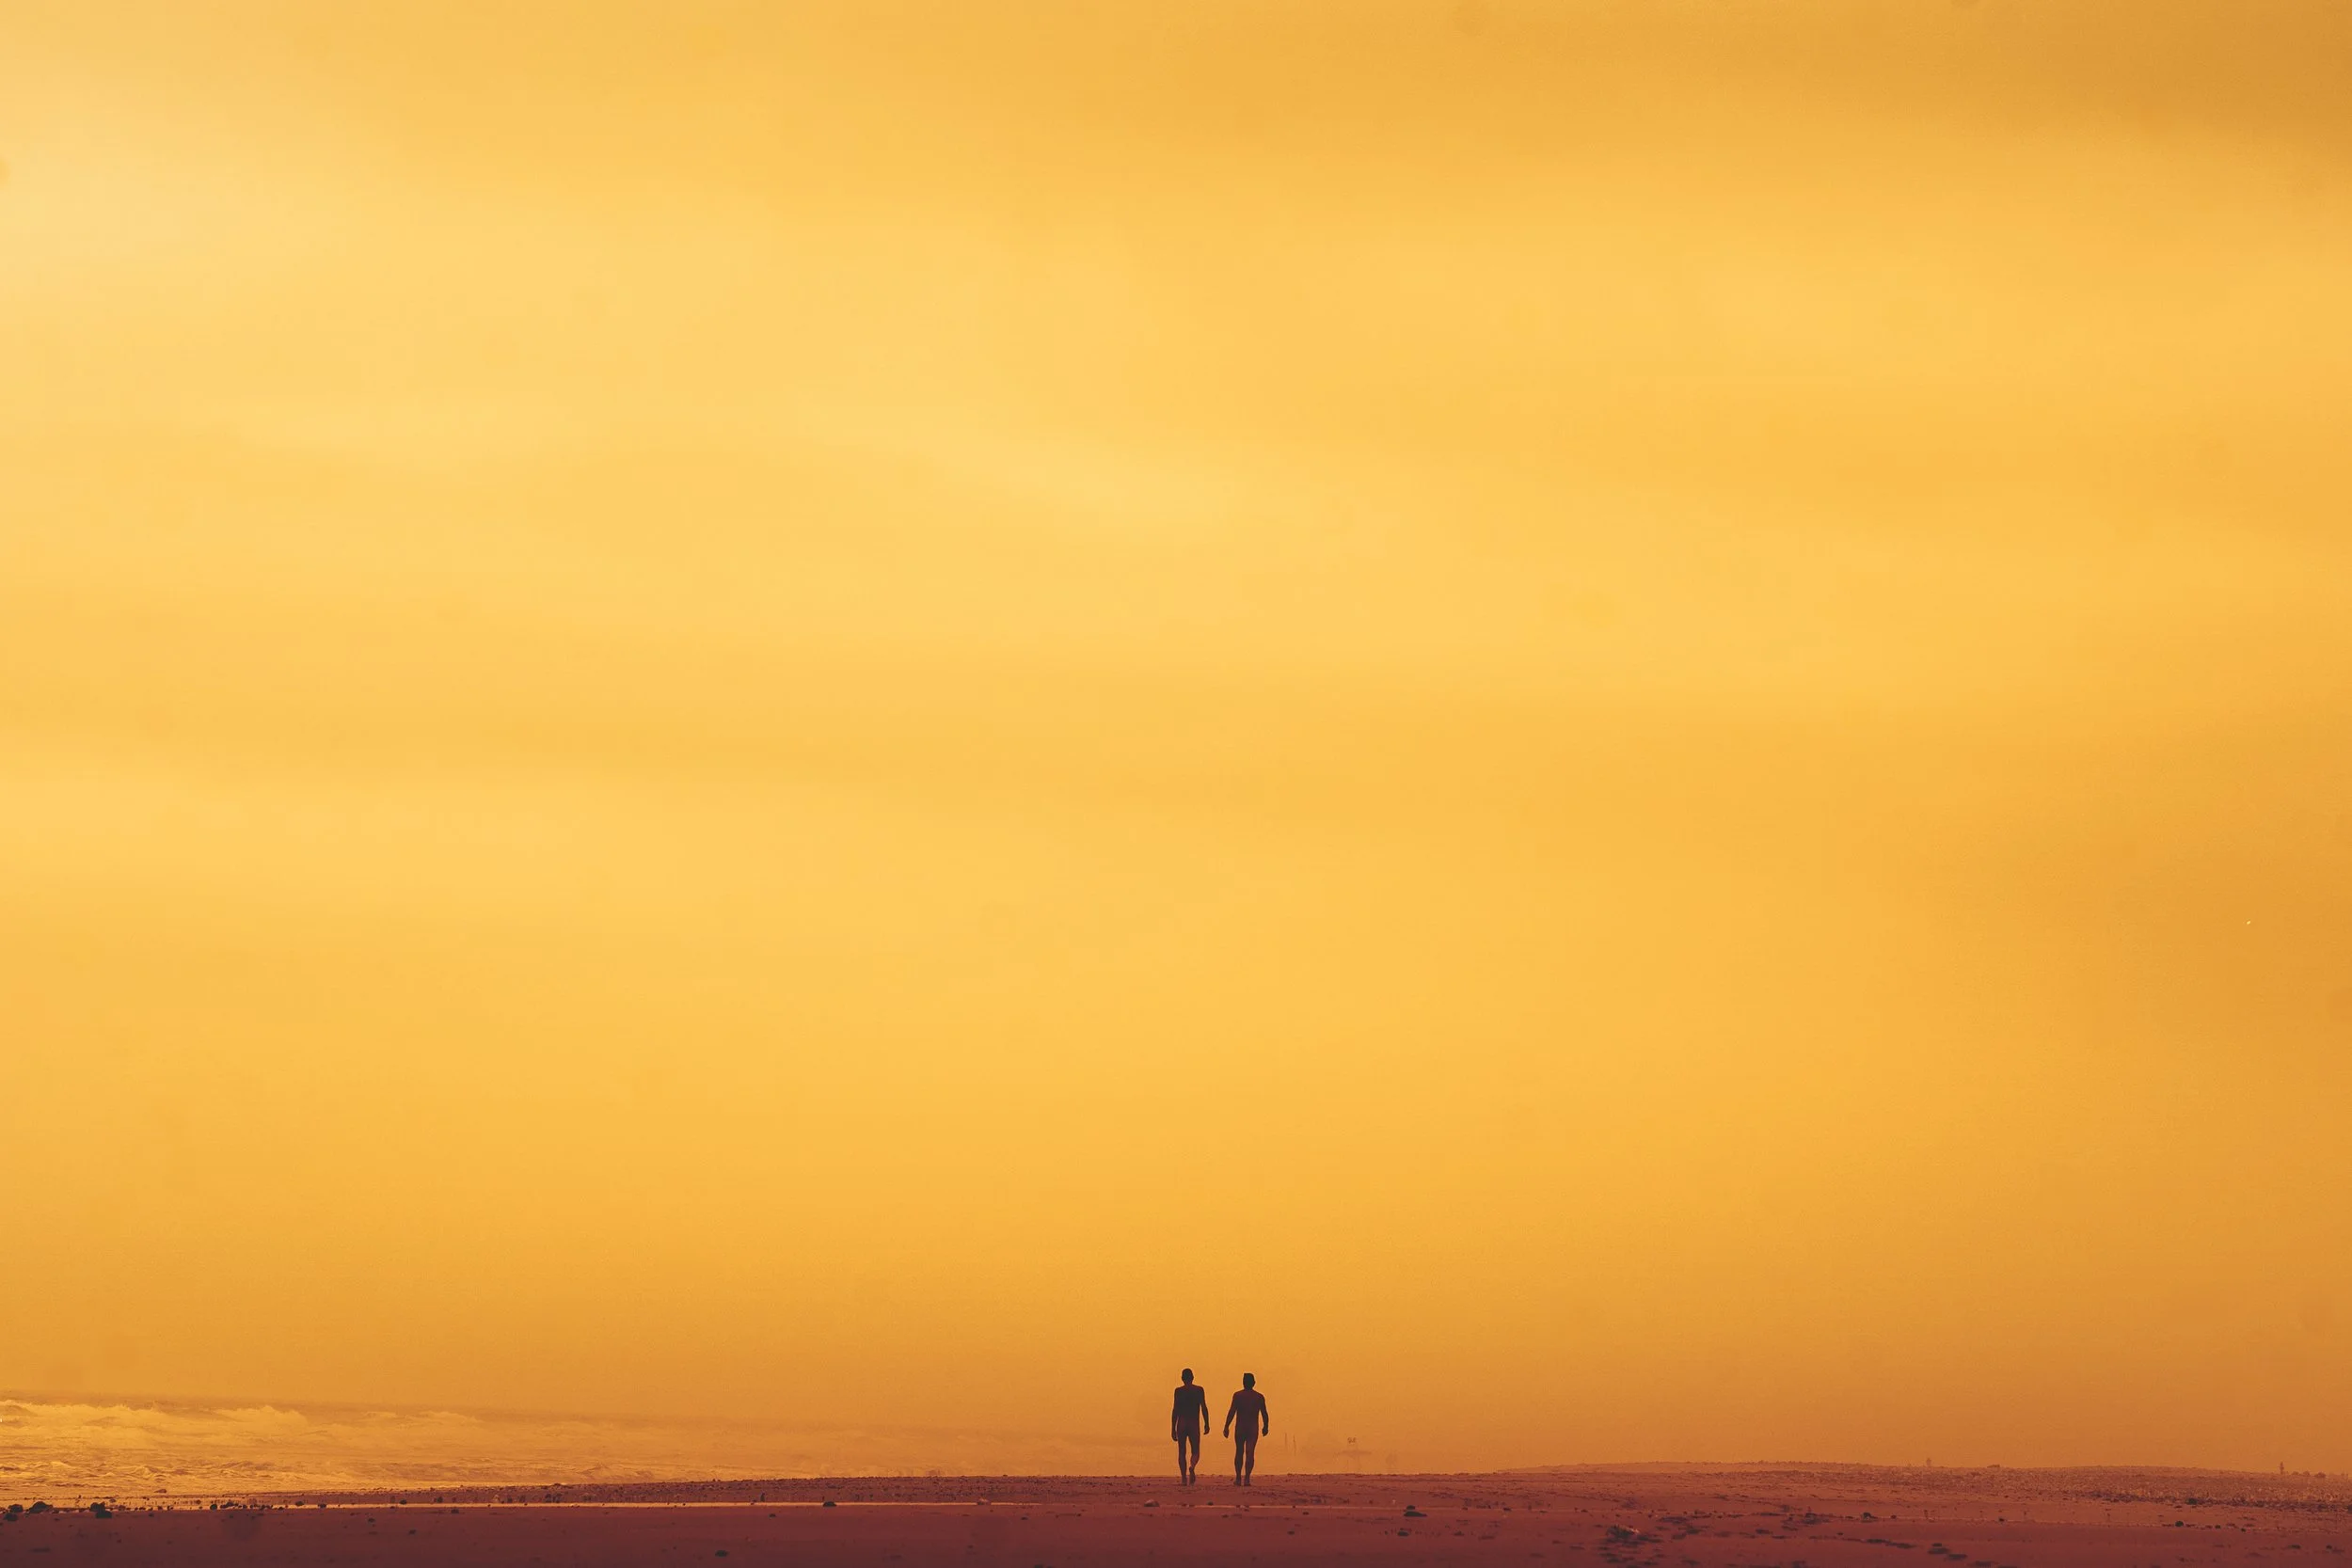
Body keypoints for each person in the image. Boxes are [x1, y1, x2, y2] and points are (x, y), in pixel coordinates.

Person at [1222, 1372, 1268, 1486]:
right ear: (1254, 1383)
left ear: (1243, 1383)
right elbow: (1265, 1414)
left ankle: (1238, 1478)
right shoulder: (1259, 1397)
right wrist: (1265, 1426)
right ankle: (1247, 1478)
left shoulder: (1238, 1396)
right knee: (1250, 1452)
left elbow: (1232, 1412)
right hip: (1252, 1428)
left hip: (1241, 1427)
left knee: (1239, 1452)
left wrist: (1226, 1426)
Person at [1169, 1369, 1209, 1483]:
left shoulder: (1178, 1391)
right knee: (1195, 1451)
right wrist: (1207, 1423)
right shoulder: (1199, 1390)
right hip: (1193, 1423)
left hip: (1181, 1423)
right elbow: (1204, 1407)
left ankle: (1183, 1478)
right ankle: (1192, 1466)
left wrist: (1173, 1427)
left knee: (1182, 1451)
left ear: (1182, 1378)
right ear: (1192, 1377)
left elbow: (1175, 1409)